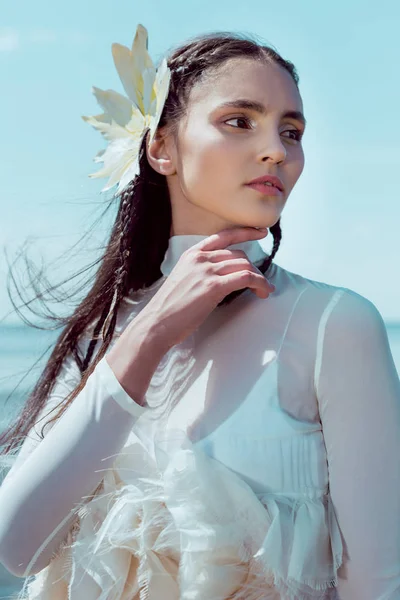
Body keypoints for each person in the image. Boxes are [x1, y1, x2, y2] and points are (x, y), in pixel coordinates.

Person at [0, 23, 399, 600]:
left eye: (292, 131)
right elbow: (17, 548)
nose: (277, 151)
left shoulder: (332, 326)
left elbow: (377, 583)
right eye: (240, 121)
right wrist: (150, 333)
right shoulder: (105, 329)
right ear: (160, 147)